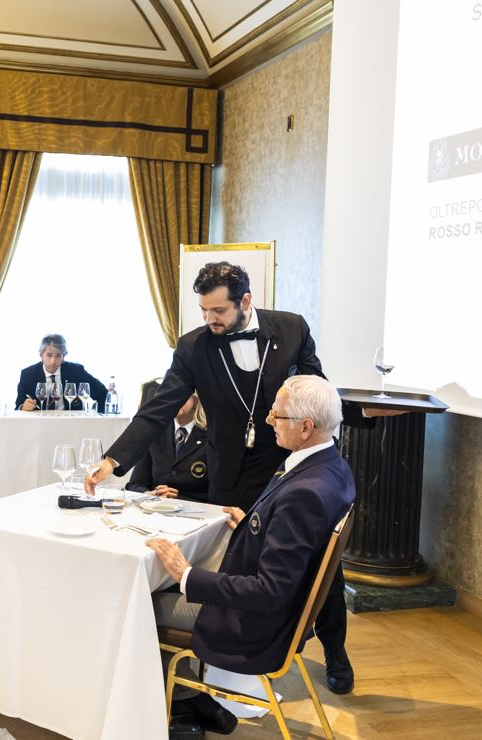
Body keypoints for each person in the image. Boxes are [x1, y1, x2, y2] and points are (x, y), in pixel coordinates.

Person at [86, 261, 393, 694]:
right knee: (237, 557)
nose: (209, 319)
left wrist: (365, 414)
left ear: (245, 301)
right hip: (228, 470)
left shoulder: (291, 329)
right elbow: (158, 409)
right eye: (204, 311)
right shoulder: (193, 347)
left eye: (218, 311)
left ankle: (335, 650)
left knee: (315, 564)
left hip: (284, 464)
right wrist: (113, 461)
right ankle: (225, 666)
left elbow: (317, 394)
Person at [146, 376, 357, 734]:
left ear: (306, 427)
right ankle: (194, 699)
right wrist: (255, 523)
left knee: (145, 603)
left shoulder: (304, 493)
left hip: (257, 624)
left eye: (278, 415)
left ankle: (182, 705)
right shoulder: (331, 467)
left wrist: (187, 576)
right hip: (283, 612)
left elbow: (269, 591)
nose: (269, 421)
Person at [125, 393, 209, 503]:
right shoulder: (156, 431)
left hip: (197, 510)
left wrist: (178, 499)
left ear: (195, 400)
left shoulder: (211, 436)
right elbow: (135, 484)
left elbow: (217, 494)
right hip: (156, 508)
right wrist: (149, 494)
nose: (172, 401)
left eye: (178, 395)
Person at [14, 334, 108, 412]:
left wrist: (98, 416)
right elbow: (18, 405)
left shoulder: (77, 371)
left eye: (58, 356)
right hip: (39, 424)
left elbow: (103, 394)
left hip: (71, 423)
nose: (53, 361)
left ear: (64, 356)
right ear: (41, 355)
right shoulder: (28, 374)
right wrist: (23, 407)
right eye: (49, 355)